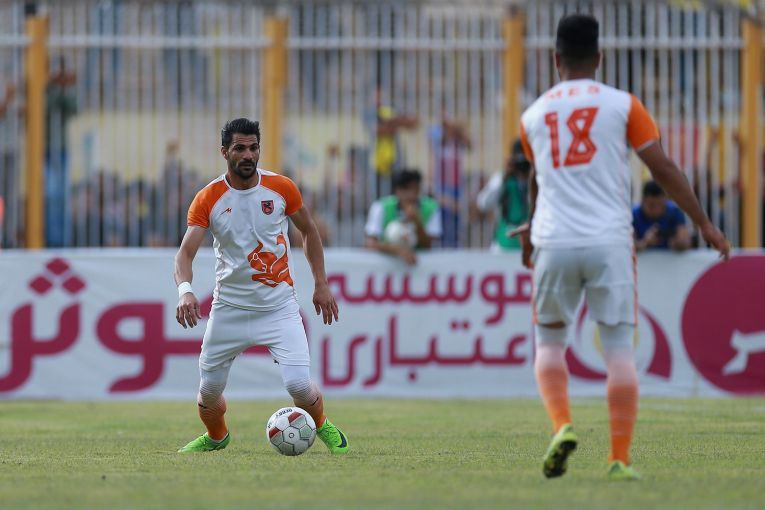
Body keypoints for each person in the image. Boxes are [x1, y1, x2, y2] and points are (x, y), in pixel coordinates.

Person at [511, 14, 729, 481]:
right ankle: (619, 459)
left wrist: (530, 227)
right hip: (609, 241)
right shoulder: (623, 105)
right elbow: (662, 168)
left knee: (549, 343)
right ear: (600, 57)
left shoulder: (533, 115)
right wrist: (704, 222)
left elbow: (537, 179)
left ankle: (562, 425)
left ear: (555, 59)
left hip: (554, 239)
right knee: (618, 351)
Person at [174, 118, 349, 454]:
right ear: (224, 152)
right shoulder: (208, 197)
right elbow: (185, 254)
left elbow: (309, 231)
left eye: (254, 148)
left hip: (278, 308)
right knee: (208, 393)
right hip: (229, 309)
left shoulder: (281, 188)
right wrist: (185, 291)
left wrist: (321, 284)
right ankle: (216, 436)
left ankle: (322, 423)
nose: (248, 155)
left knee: (299, 386)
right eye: (239, 148)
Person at [364, 169, 441, 265]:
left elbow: (428, 246)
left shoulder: (431, 208)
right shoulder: (381, 207)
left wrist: (417, 221)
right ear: (397, 190)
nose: (411, 194)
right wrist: (398, 250)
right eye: (406, 189)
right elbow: (370, 244)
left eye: (415, 189)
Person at [476, 139, 531, 252]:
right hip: (503, 244)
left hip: (529, 244)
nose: (522, 166)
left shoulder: (537, 179)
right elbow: (483, 203)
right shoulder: (502, 178)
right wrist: (504, 177)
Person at [429, 116, 471, 248]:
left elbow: (470, 145)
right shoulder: (436, 136)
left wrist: (457, 131)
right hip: (441, 185)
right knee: (442, 215)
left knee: (457, 217)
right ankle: (441, 245)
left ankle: (455, 244)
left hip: (457, 185)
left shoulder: (457, 141)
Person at [633, 180, 690, 251]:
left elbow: (685, 242)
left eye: (660, 205)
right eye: (652, 205)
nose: (656, 210)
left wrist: (679, 243)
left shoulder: (675, 212)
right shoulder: (634, 214)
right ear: (642, 201)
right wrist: (645, 242)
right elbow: (628, 245)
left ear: (666, 200)